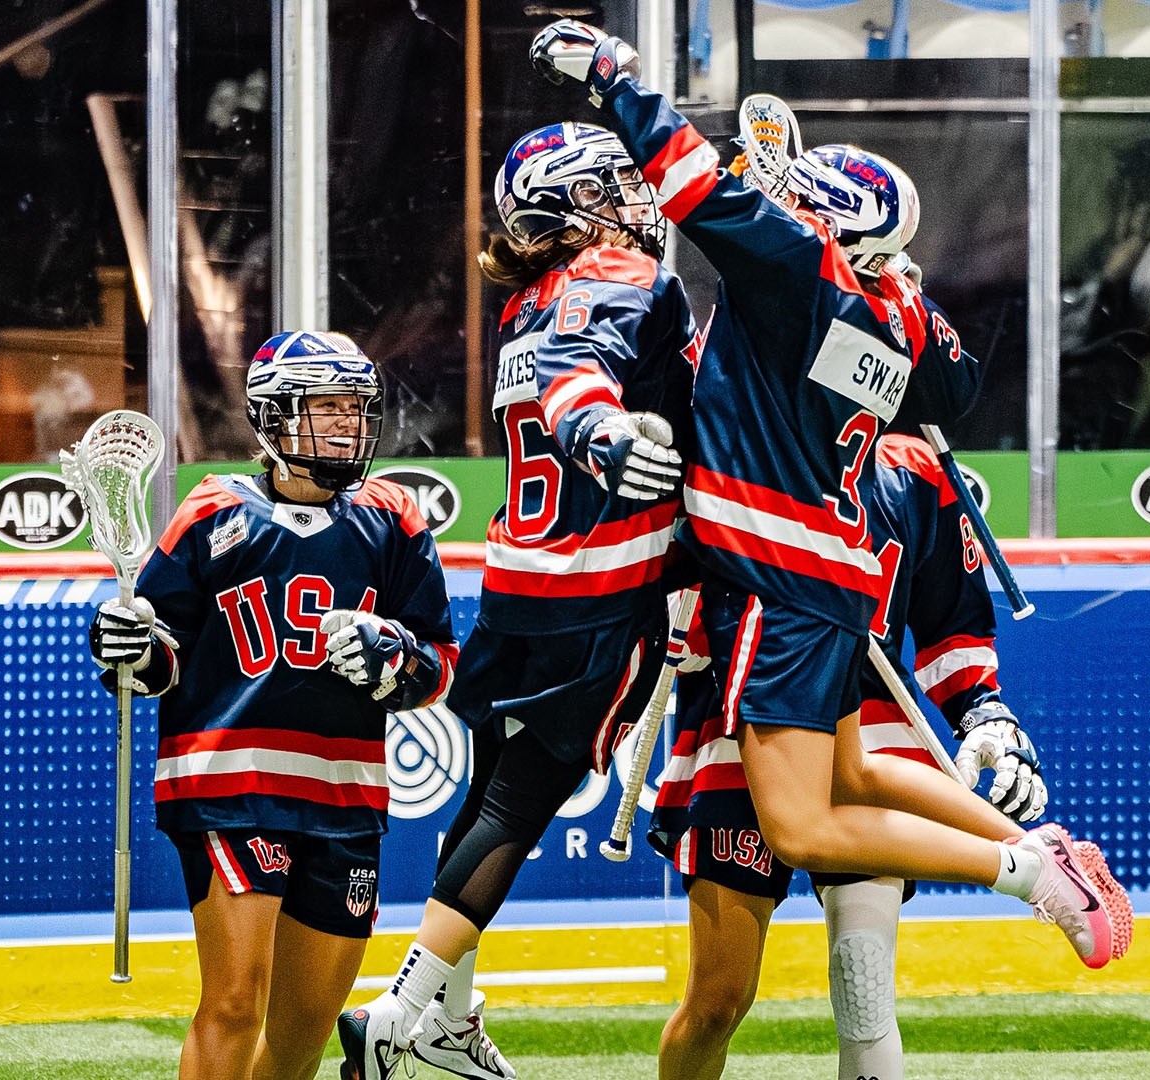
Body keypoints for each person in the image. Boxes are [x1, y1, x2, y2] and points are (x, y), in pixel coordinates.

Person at [530, 18, 1123, 956]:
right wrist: (898, 279)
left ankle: (1031, 877)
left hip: (776, 580)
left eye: (804, 201)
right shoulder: (893, 316)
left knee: (803, 823)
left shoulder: (798, 270)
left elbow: (689, 179)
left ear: (832, 230)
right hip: (834, 579)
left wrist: (613, 77)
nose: (784, 202)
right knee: (861, 768)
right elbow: (956, 382)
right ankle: (1036, 845)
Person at [337, 121, 700, 1080]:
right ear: (576, 204)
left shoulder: (526, 300)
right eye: (616, 182)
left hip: (518, 582)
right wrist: (607, 435)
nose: (637, 195)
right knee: (522, 802)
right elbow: (582, 378)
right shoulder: (627, 276)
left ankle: (445, 1016)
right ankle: (405, 1010)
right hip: (605, 582)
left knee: (488, 797)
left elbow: (561, 366)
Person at [647, 434, 1134, 1080]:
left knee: (863, 983)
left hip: (866, 719)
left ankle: (1035, 864)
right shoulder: (739, 450)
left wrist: (983, 713)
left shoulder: (908, 470)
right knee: (717, 1001)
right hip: (739, 723)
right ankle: (1033, 858)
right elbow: (681, 624)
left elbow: (951, 622)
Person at [86, 331, 458, 1080]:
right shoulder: (211, 511)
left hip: (346, 796)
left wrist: (396, 656)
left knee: (305, 1026)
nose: (348, 426)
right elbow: (158, 661)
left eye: (356, 409)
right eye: (327, 408)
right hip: (230, 786)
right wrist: (125, 647)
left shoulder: (394, 518)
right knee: (232, 1002)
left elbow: (442, 665)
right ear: (274, 417)